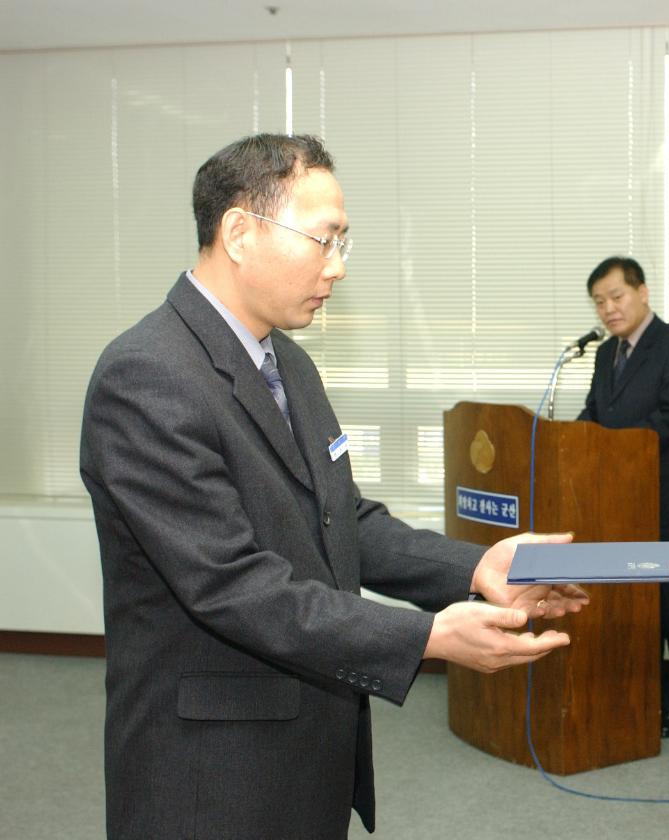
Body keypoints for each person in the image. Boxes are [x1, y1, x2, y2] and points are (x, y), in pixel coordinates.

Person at [79, 134, 589, 840]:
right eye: (325, 240)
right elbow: (232, 585)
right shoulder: (148, 375)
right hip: (211, 771)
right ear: (239, 232)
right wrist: (428, 637)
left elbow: (339, 517)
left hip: (306, 741)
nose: (339, 268)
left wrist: (476, 566)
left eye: (344, 243)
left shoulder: (287, 361)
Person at [577, 256, 669, 738]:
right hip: (617, 500)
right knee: (633, 604)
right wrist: (565, 441)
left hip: (668, 498)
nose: (608, 309)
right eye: (599, 302)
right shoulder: (604, 353)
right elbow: (593, 413)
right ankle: (640, 691)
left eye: (616, 296)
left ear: (642, 292)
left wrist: (609, 446)